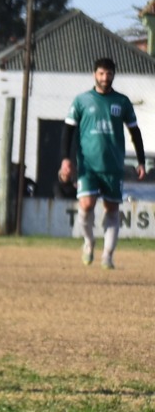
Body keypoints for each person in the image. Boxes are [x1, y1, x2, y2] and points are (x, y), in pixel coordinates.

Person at [60, 57, 146, 269]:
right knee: (86, 204)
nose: (105, 77)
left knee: (112, 209)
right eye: (101, 73)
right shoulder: (82, 101)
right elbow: (68, 131)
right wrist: (65, 159)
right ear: (94, 74)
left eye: (108, 74)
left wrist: (141, 161)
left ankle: (107, 255)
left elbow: (135, 132)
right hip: (88, 165)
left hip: (113, 166)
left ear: (113, 75)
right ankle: (89, 242)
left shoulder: (122, 102)